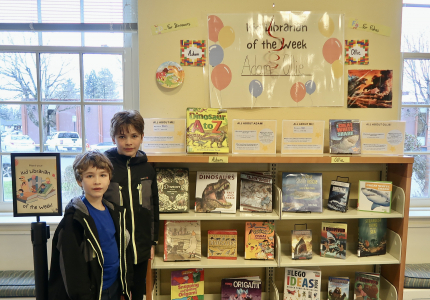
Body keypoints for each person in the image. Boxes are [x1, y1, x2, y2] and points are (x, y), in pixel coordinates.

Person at [48, 151, 132, 300]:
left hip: (114, 286)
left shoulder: (115, 212)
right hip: (91, 292)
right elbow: (71, 267)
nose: (97, 181)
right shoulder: (74, 220)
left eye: (102, 175)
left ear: (109, 178)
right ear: (79, 181)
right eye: (90, 176)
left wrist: (124, 288)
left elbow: (122, 254)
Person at [104, 110, 160, 300]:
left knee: (137, 292)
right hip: (114, 246)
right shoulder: (105, 168)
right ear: (113, 138)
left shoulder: (147, 170)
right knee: (116, 292)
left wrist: (153, 241)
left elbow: (153, 209)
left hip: (141, 246)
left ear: (142, 137)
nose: (128, 142)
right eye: (122, 136)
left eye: (134, 136)